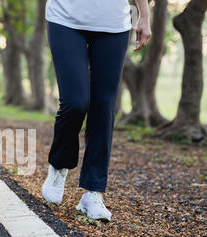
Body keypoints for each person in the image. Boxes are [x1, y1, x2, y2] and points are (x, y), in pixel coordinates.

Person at [41, 0, 151, 221]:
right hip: (65, 18)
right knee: (75, 102)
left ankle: (93, 192)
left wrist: (144, 15)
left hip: (113, 25)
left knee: (103, 107)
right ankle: (59, 164)